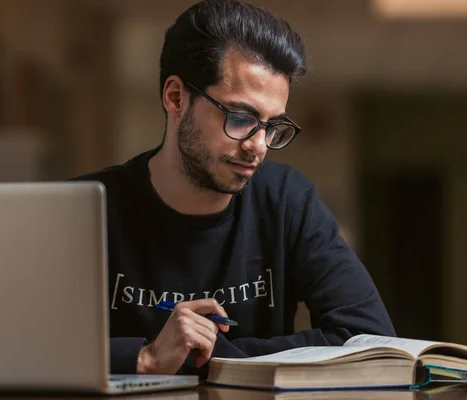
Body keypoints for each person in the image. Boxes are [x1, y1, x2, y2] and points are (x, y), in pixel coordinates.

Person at [69, 0, 395, 377]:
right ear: (176, 97)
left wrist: (216, 354)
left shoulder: (287, 201)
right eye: (241, 118)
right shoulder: (84, 209)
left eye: (272, 126)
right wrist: (146, 357)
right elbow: (17, 347)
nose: (258, 146)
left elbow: (370, 338)